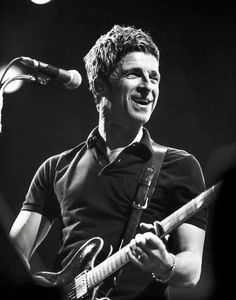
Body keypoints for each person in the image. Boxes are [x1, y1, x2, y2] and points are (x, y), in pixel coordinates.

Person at [9, 25, 208, 300]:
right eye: (134, 74)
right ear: (100, 84)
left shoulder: (180, 165)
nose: (147, 87)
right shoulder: (56, 168)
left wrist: (164, 264)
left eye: (154, 77)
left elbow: (192, 270)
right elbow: (12, 254)